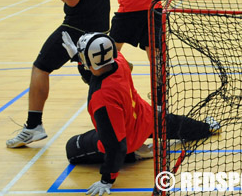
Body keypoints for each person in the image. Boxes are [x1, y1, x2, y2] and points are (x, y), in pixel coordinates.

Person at [61, 32, 221, 196]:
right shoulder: (120, 61)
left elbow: (115, 145)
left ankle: (134, 153)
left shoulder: (101, 99)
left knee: (72, 148)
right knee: (173, 122)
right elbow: (97, 73)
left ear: (89, 61)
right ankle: (208, 127)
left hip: (127, 137)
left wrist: (107, 179)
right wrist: (77, 58)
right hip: (144, 116)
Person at [6, 0, 111, 148]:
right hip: (100, 28)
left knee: (40, 66)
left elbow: (72, 1)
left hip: (76, 30)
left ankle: (34, 126)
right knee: (99, 79)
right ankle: (124, 122)